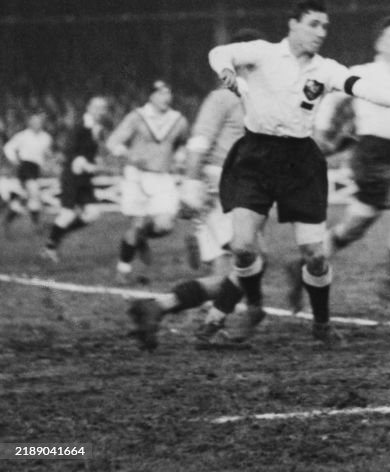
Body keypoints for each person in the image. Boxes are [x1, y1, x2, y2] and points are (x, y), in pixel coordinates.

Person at [194, 0, 390, 349]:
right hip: (255, 155)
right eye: (314, 24)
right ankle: (244, 308)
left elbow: (357, 84)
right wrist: (226, 70)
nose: (321, 32)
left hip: (300, 160)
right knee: (242, 247)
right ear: (293, 24)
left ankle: (321, 326)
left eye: (325, 26)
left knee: (316, 256)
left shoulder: (326, 69)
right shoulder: (263, 53)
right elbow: (218, 52)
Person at [286, 15, 390, 313]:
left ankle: (302, 266)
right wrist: (321, 134)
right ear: (379, 44)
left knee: (352, 229)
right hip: (370, 157)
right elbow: (330, 96)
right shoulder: (364, 74)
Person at [125, 30, 266, 350]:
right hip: (220, 191)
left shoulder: (253, 100)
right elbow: (200, 141)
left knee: (230, 273)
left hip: (238, 191)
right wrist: (191, 183)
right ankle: (221, 322)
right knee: (251, 262)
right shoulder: (222, 98)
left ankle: (157, 308)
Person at [107, 80, 190, 284]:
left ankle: (142, 237)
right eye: (161, 93)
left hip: (162, 177)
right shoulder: (138, 117)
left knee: (165, 225)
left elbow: (184, 143)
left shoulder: (178, 120)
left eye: (168, 93)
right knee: (136, 225)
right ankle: (123, 269)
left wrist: (180, 156)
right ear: (151, 96)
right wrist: (127, 154)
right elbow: (113, 142)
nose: (166, 97)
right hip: (137, 176)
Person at [41, 96, 110, 262]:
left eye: (103, 108)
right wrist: (85, 164)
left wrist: (96, 162)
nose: (100, 111)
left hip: (85, 179)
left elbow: (92, 152)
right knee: (68, 214)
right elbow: (70, 151)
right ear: (89, 107)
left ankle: (57, 235)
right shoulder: (79, 127)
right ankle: (50, 247)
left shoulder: (97, 128)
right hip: (72, 176)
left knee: (92, 213)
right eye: (97, 107)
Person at [2, 111, 53, 232]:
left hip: (36, 168)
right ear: (29, 123)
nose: (37, 124)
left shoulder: (46, 137)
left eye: (39, 122)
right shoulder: (22, 135)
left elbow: (45, 153)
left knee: (26, 196)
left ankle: (8, 219)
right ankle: (37, 224)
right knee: (34, 190)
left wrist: (48, 159)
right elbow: (8, 147)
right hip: (25, 166)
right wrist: (14, 160)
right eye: (34, 122)